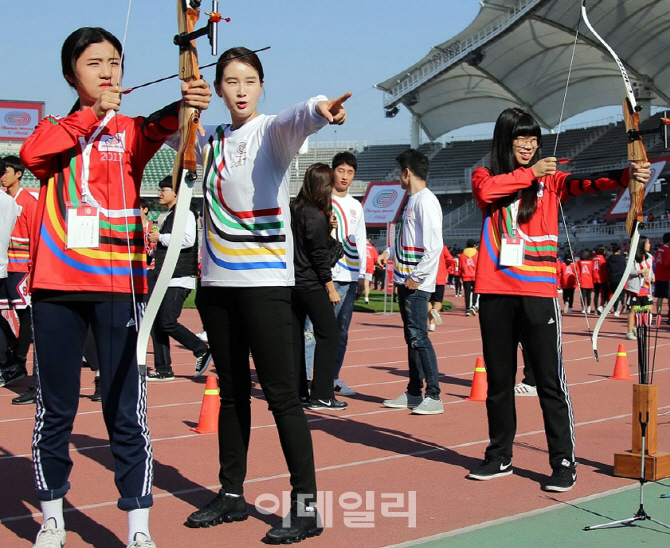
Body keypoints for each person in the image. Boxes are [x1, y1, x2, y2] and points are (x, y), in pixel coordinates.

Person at [19, 27, 211, 548]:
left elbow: (160, 126)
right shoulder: (55, 127)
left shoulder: (129, 131)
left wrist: (186, 101)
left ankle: (139, 528)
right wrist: (89, 115)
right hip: (56, 287)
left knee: (125, 408)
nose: (108, 72)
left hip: (116, 287)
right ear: (70, 74)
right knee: (55, 408)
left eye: (115, 63)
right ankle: (53, 515)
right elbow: (34, 155)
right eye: (94, 63)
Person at [182, 46, 350, 544]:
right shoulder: (206, 137)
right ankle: (231, 494)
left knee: (282, 398)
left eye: (249, 81)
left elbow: (300, 118)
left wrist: (320, 108)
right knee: (232, 396)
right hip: (215, 288)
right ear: (216, 89)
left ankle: (305, 508)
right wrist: (184, 100)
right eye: (229, 81)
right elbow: (164, 131)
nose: (239, 90)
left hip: (265, 288)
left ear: (260, 87)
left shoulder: (271, 133)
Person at [467, 107, 650, 491]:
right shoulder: (486, 175)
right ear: (506, 140)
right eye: (521, 138)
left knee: (550, 382)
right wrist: (531, 174)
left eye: (534, 140)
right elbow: (487, 192)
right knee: (499, 383)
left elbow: (587, 183)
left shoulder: (551, 182)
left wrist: (626, 176)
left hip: (537, 293)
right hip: (496, 293)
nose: (529, 146)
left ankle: (563, 461)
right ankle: (500, 456)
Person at [378, 149, 444, 415]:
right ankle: (415, 392)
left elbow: (434, 247)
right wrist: (388, 252)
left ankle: (435, 395)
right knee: (412, 338)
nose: (399, 178)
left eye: (399, 173)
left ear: (407, 172)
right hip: (405, 280)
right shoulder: (412, 200)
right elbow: (408, 242)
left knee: (419, 337)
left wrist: (417, 277)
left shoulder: (425, 201)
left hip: (415, 283)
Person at [291, 163, 345, 410]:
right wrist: (331, 287)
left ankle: (298, 392)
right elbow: (320, 256)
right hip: (311, 283)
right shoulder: (315, 215)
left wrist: (328, 227)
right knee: (329, 333)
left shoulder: (295, 209)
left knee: (295, 337)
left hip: (292, 282)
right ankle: (322, 394)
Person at [146, 176, 211, 380]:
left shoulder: (186, 213)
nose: (159, 193)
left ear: (176, 192)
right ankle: (163, 369)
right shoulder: (172, 213)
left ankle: (200, 349)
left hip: (179, 276)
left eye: (163, 189)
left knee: (167, 321)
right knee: (156, 323)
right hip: (166, 274)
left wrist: (160, 238)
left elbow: (187, 240)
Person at [329, 151, 367, 397]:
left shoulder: (355, 206)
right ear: (333, 171)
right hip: (326, 276)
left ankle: (332, 378)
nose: (345, 177)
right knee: (315, 330)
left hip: (349, 276)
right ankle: (311, 378)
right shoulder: (322, 199)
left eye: (350, 172)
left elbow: (361, 239)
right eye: (341, 171)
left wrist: (363, 274)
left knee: (341, 332)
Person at [0, 156, 36, 390]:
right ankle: (10, 357)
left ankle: (20, 360)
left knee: (24, 314)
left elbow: (35, 237)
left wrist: (33, 270)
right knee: (3, 313)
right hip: (5, 266)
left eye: (7, 172)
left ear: (18, 174)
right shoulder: (4, 200)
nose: (3, 176)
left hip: (22, 268)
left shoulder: (28, 202)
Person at [625, 236, 654, 340]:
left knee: (646, 309)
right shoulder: (632, 257)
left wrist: (652, 276)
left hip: (647, 288)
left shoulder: (649, 257)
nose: (649, 245)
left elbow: (650, 270)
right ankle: (629, 332)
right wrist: (639, 272)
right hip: (636, 288)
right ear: (642, 244)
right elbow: (628, 271)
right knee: (634, 310)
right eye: (647, 243)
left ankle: (639, 328)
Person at [428, 245, 454, 331]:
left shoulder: (426, 246)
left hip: (428, 278)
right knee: (438, 301)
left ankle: (431, 324)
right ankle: (436, 310)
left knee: (429, 301)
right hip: (440, 276)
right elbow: (450, 259)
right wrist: (445, 266)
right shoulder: (442, 247)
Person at [607, 243, 627, 317]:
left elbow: (608, 268)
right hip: (620, 278)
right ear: (619, 250)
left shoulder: (609, 259)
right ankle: (619, 308)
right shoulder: (622, 258)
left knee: (614, 294)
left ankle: (616, 309)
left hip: (612, 278)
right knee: (620, 294)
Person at [654, 232, 670, 324]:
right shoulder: (667, 250)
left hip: (659, 275)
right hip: (666, 276)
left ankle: (658, 314)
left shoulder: (659, 249)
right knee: (668, 297)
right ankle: (668, 314)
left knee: (660, 297)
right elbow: (666, 263)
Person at [460, 239, 479, 315]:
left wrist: (461, 275)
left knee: (467, 293)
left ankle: (467, 309)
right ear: (474, 245)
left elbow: (460, 266)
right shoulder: (477, 254)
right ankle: (474, 305)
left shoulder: (462, 255)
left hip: (465, 276)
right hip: (475, 276)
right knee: (475, 291)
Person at [592, 245, 609, 313]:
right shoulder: (603, 259)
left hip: (595, 278)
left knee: (596, 294)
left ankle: (596, 309)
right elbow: (604, 269)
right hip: (602, 278)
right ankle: (601, 305)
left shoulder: (593, 259)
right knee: (606, 293)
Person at [577, 249, 594, 313]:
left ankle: (583, 308)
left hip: (583, 280)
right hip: (590, 280)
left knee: (583, 295)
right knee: (589, 295)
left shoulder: (580, 262)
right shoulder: (591, 262)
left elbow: (578, 272)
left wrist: (579, 279)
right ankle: (589, 307)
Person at [363, 237, 379, 304]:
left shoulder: (361, 245)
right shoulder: (372, 247)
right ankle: (366, 298)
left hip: (360, 266)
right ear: (369, 239)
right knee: (367, 283)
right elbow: (376, 258)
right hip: (369, 267)